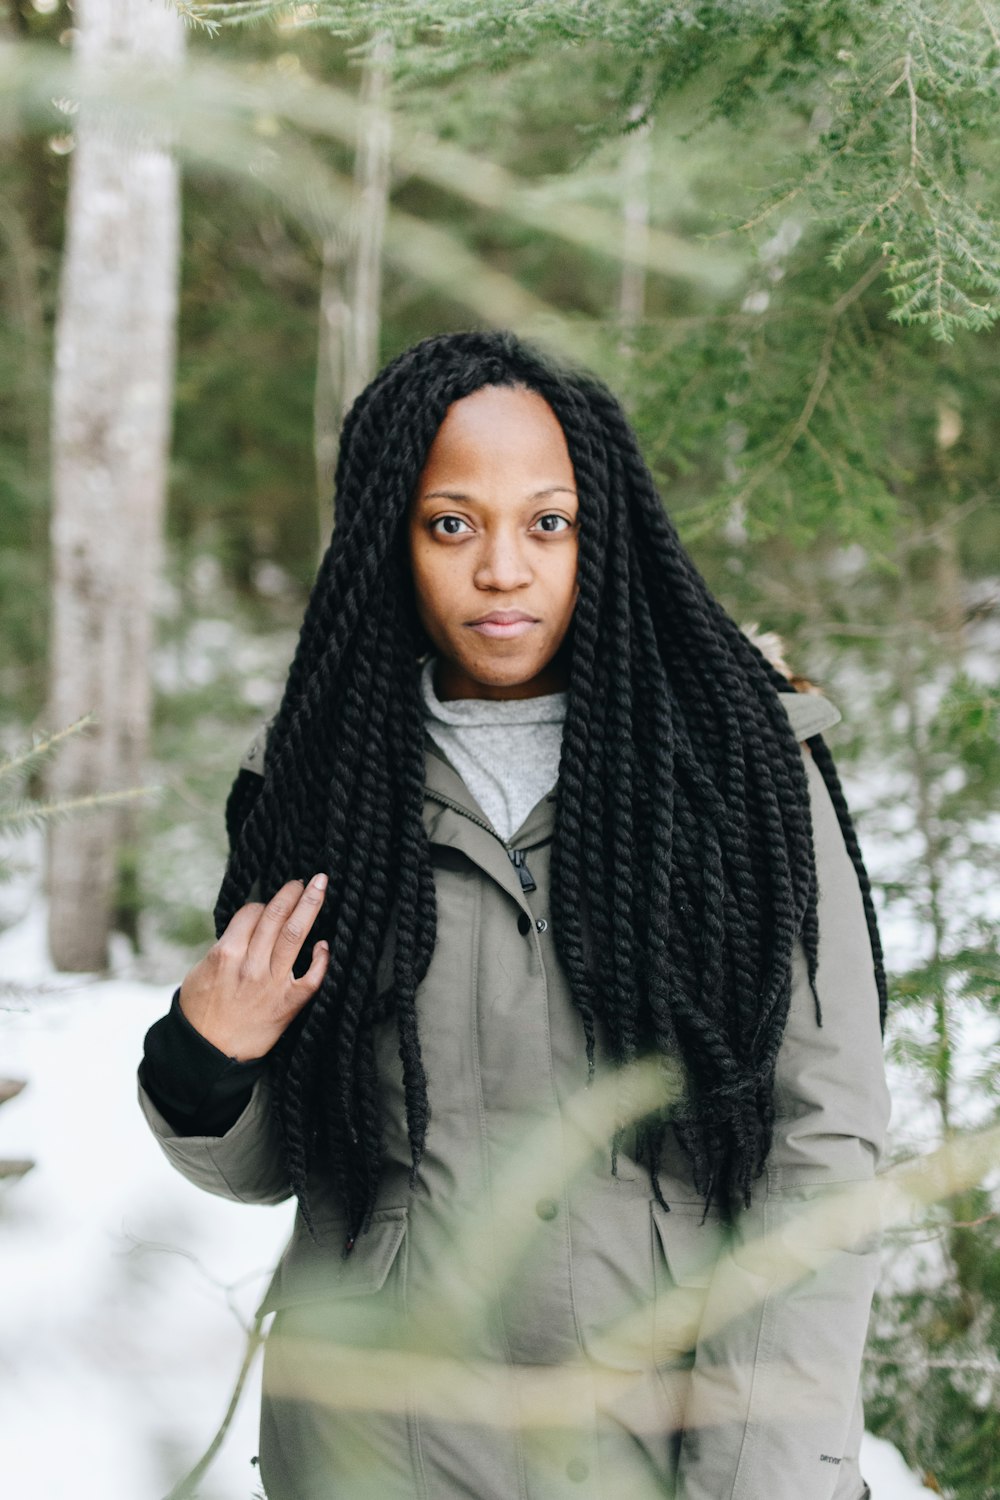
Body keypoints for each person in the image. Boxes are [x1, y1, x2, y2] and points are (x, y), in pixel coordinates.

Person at [138, 329, 890, 1500]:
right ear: (393, 536)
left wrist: (765, 1475)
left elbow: (821, 1147)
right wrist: (207, 1063)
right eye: (452, 524)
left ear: (606, 533)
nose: (502, 568)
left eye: (548, 522)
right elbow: (290, 1164)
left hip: (666, 1431)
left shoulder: (744, 768)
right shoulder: (312, 781)